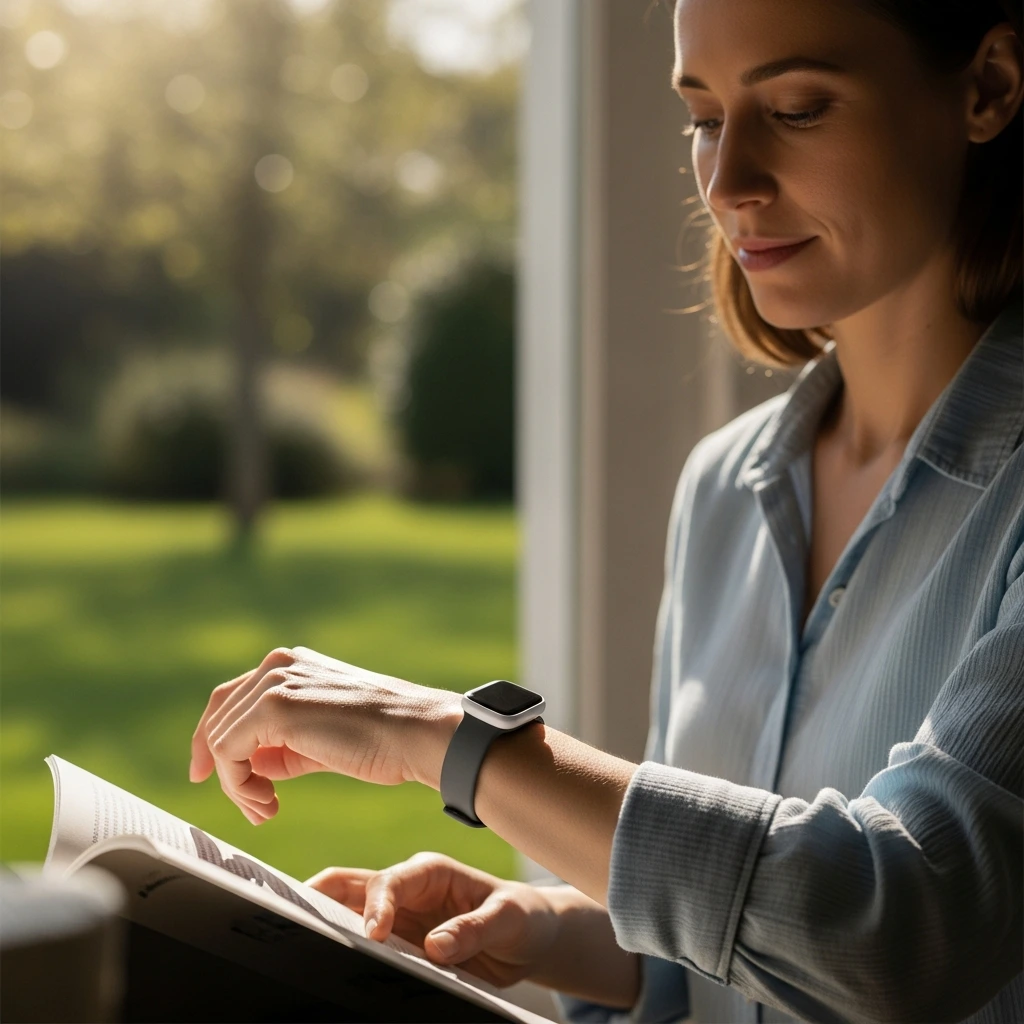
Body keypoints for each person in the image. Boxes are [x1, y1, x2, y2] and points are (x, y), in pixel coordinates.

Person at [189, 0, 1024, 1021]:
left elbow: (900, 932)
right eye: (704, 118)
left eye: (799, 108)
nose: (728, 185)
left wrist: (448, 737)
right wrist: (549, 926)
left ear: (987, 88)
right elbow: (734, 936)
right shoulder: (725, 488)